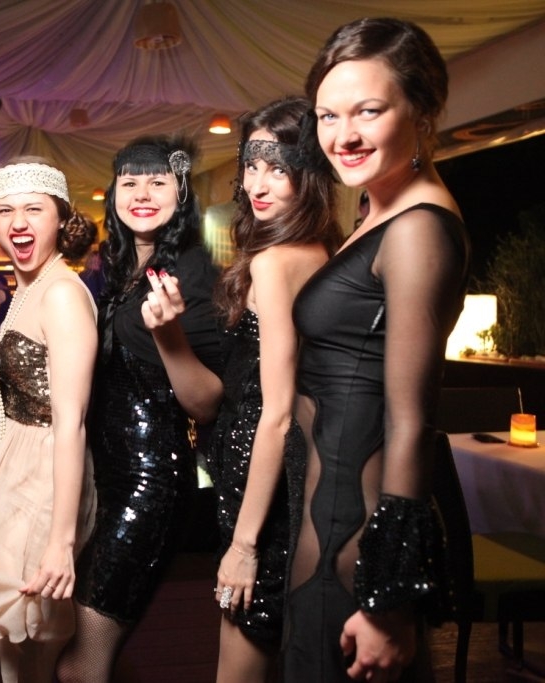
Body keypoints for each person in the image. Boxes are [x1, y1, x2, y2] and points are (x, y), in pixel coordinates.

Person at [284, 18, 469, 681]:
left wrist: (388, 598)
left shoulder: (418, 227)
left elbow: (412, 422)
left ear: (421, 111)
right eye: (328, 116)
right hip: (327, 522)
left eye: (368, 110)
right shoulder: (380, 213)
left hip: (355, 544)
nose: (344, 135)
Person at [57, 135, 224, 683]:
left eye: (158, 181)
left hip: (150, 486)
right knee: (84, 652)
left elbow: (206, 403)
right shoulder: (124, 266)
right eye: (130, 182)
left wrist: (169, 335)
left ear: (182, 193)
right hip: (110, 481)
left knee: (81, 665)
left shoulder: (194, 272)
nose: (142, 194)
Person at [0, 158, 98, 683]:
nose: (19, 223)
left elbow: (71, 423)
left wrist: (60, 543)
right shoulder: (28, 287)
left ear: (62, 218)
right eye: (5, 211)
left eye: (34, 209)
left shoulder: (62, 294)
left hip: (43, 485)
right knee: (20, 662)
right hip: (13, 476)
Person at [206, 96, 341, 682]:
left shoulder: (274, 261)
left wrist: (244, 544)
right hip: (294, 480)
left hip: (260, 489)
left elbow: (276, 413)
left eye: (277, 168)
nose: (257, 184)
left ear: (307, 174)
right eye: (251, 165)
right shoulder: (327, 249)